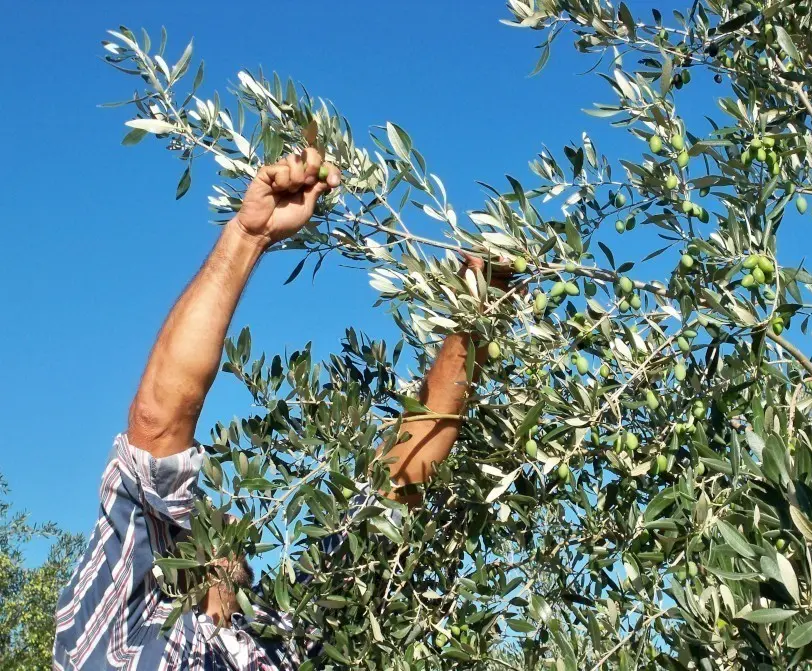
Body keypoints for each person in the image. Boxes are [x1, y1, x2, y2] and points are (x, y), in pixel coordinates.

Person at [52, 148, 508, 669]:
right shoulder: (118, 625)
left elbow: (398, 484)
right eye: (203, 513)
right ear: (175, 552)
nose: (224, 511)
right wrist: (246, 238)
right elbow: (157, 426)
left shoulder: (286, 639)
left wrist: (477, 313)